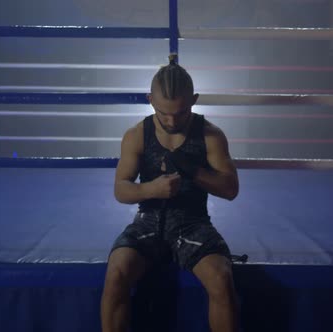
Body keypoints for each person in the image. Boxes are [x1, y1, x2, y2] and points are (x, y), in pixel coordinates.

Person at [101, 54, 240, 332]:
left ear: (194, 100)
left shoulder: (210, 135)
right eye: (163, 113)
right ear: (150, 100)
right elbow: (120, 189)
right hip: (147, 222)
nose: (171, 120)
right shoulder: (137, 134)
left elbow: (230, 189)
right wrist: (152, 189)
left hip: (193, 222)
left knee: (222, 278)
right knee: (116, 273)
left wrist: (194, 171)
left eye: (179, 113)